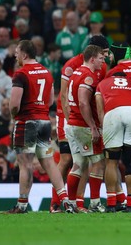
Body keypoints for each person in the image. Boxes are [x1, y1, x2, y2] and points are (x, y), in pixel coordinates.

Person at [7, 40, 73, 213]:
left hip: (26, 122)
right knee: (49, 163)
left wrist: (14, 116)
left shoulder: (20, 74)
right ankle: (65, 200)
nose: (15, 55)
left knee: (25, 164)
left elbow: (14, 104)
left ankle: (21, 205)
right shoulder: (47, 72)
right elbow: (50, 101)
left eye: (17, 52)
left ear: (25, 54)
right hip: (44, 122)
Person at [50, 35, 110, 213]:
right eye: (103, 54)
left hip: (79, 120)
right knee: (71, 159)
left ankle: (76, 202)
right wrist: (77, 122)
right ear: (93, 54)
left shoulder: (95, 68)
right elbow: (65, 97)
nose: (105, 58)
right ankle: (58, 202)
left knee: (80, 162)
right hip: (72, 117)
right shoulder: (72, 66)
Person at [65, 45, 107, 213]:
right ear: (92, 59)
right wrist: (93, 127)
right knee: (98, 163)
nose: (103, 61)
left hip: (73, 124)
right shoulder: (87, 77)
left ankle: (71, 203)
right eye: (100, 58)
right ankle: (95, 203)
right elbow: (83, 102)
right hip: (83, 127)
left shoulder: (75, 73)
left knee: (78, 163)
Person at [96, 72, 131, 213]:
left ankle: (111, 204)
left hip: (112, 113)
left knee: (111, 161)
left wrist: (102, 126)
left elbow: (100, 108)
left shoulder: (103, 84)